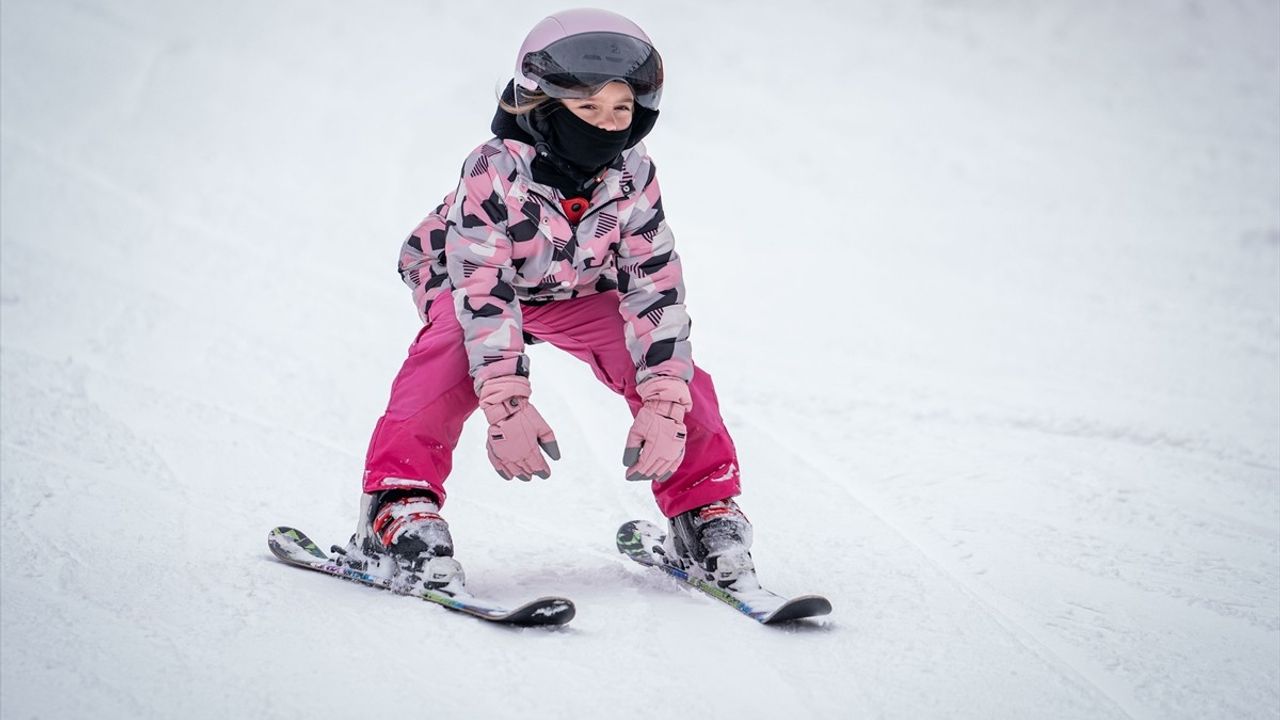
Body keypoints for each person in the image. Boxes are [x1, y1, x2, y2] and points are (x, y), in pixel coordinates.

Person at [335, 8, 756, 593]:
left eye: (622, 110)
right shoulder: (493, 169)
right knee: (451, 351)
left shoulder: (633, 174)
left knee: (668, 368)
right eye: (588, 109)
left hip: (572, 288)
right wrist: (505, 405)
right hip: (467, 277)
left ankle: (704, 510)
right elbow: (484, 291)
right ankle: (397, 506)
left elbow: (653, 284)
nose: (607, 126)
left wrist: (663, 404)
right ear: (543, 106)